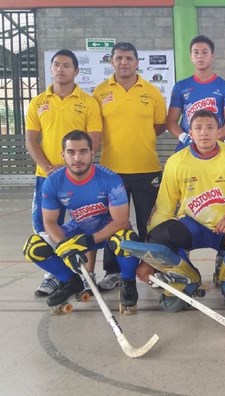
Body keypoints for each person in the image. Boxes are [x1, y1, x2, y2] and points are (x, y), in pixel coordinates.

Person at [135, 109, 225, 312]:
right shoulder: (176, 162)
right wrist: (149, 258)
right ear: (191, 132)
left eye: (210, 128)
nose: (204, 133)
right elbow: (163, 209)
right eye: (198, 128)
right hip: (193, 227)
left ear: (219, 132)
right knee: (160, 234)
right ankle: (186, 277)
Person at [22, 131, 140, 312]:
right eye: (71, 152)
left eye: (83, 151)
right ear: (63, 155)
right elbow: (50, 222)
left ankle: (128, 282)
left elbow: (121, 221)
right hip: (78, 228)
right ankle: (70, 281)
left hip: (107, 229)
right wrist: (66, 245)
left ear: (92, 152)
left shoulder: (110, 178)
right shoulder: (53, 181)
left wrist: (89, 241)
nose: (77, 158)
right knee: (33, 247)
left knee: (127, 239)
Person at [25, 49, 102, 297]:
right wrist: (48, 167)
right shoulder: (38, 102)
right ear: (51, 69)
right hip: (46, 176)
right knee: (46, 226)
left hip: (79, 176)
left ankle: (88, 273)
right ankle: (56, 275)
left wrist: (74, 167)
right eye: (56, 65)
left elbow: (94, 139)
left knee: (88, 221)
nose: (60, 69)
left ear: (76, 71)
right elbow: (31, 140)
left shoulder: (88, 102)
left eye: (66, 65)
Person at [93, 42, 167, 292]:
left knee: (150, 224)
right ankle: (113, 272)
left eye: (129, 58)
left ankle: (152, 268)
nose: (124, 62)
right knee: (115, 224)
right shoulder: (100, 92)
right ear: (112, 62)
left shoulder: (152, 92)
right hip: (111, 172)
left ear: (137, 62)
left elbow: (159, 126)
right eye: (119, 58)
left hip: (147, 168)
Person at [167, 35, 225, 151]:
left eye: (204, 52)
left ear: (212, 56)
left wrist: (209, 142)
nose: (200, 56)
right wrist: (183, 136)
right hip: (187, 148)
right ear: (191, 57)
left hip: (215, 150)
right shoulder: (180, 87)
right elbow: (171, 121)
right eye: (196, 52)